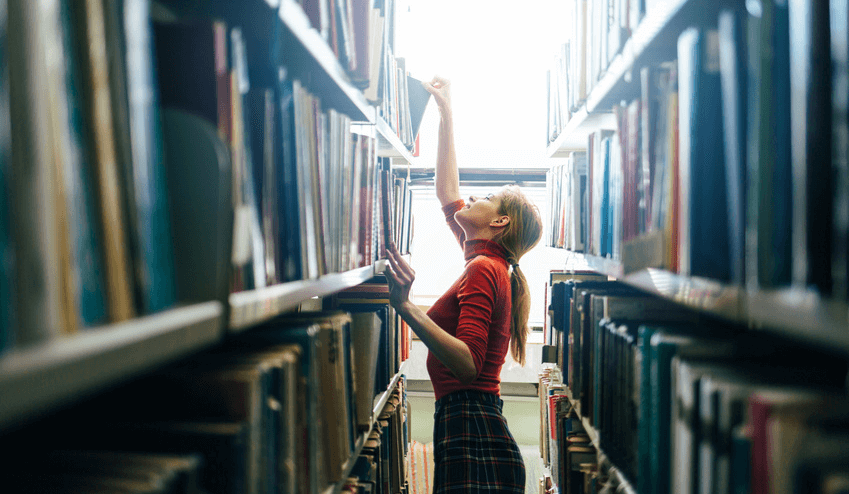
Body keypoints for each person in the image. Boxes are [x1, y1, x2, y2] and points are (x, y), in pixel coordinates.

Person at [384, 76, 543, 493]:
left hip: (471, 426)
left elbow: (468, 363)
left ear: (499, 222)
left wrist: (406, 307)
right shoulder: (485, 258)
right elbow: (447, 191)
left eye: (485, 197)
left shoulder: (483, 269)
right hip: (470, 422)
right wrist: (445, 113)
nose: (470, 198)